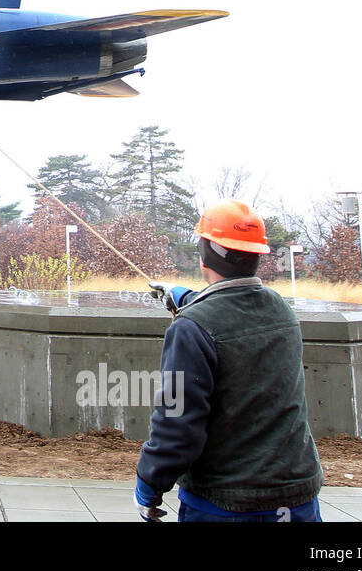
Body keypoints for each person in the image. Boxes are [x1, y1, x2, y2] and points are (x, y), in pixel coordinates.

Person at [138, 199, 324, 522]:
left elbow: (177, 424)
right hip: (298, 500)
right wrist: (186, 297)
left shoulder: (191, 329)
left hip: (225, 505)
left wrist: (148, 484)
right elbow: (237, 312)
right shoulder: (282, 311)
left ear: (205, 253)